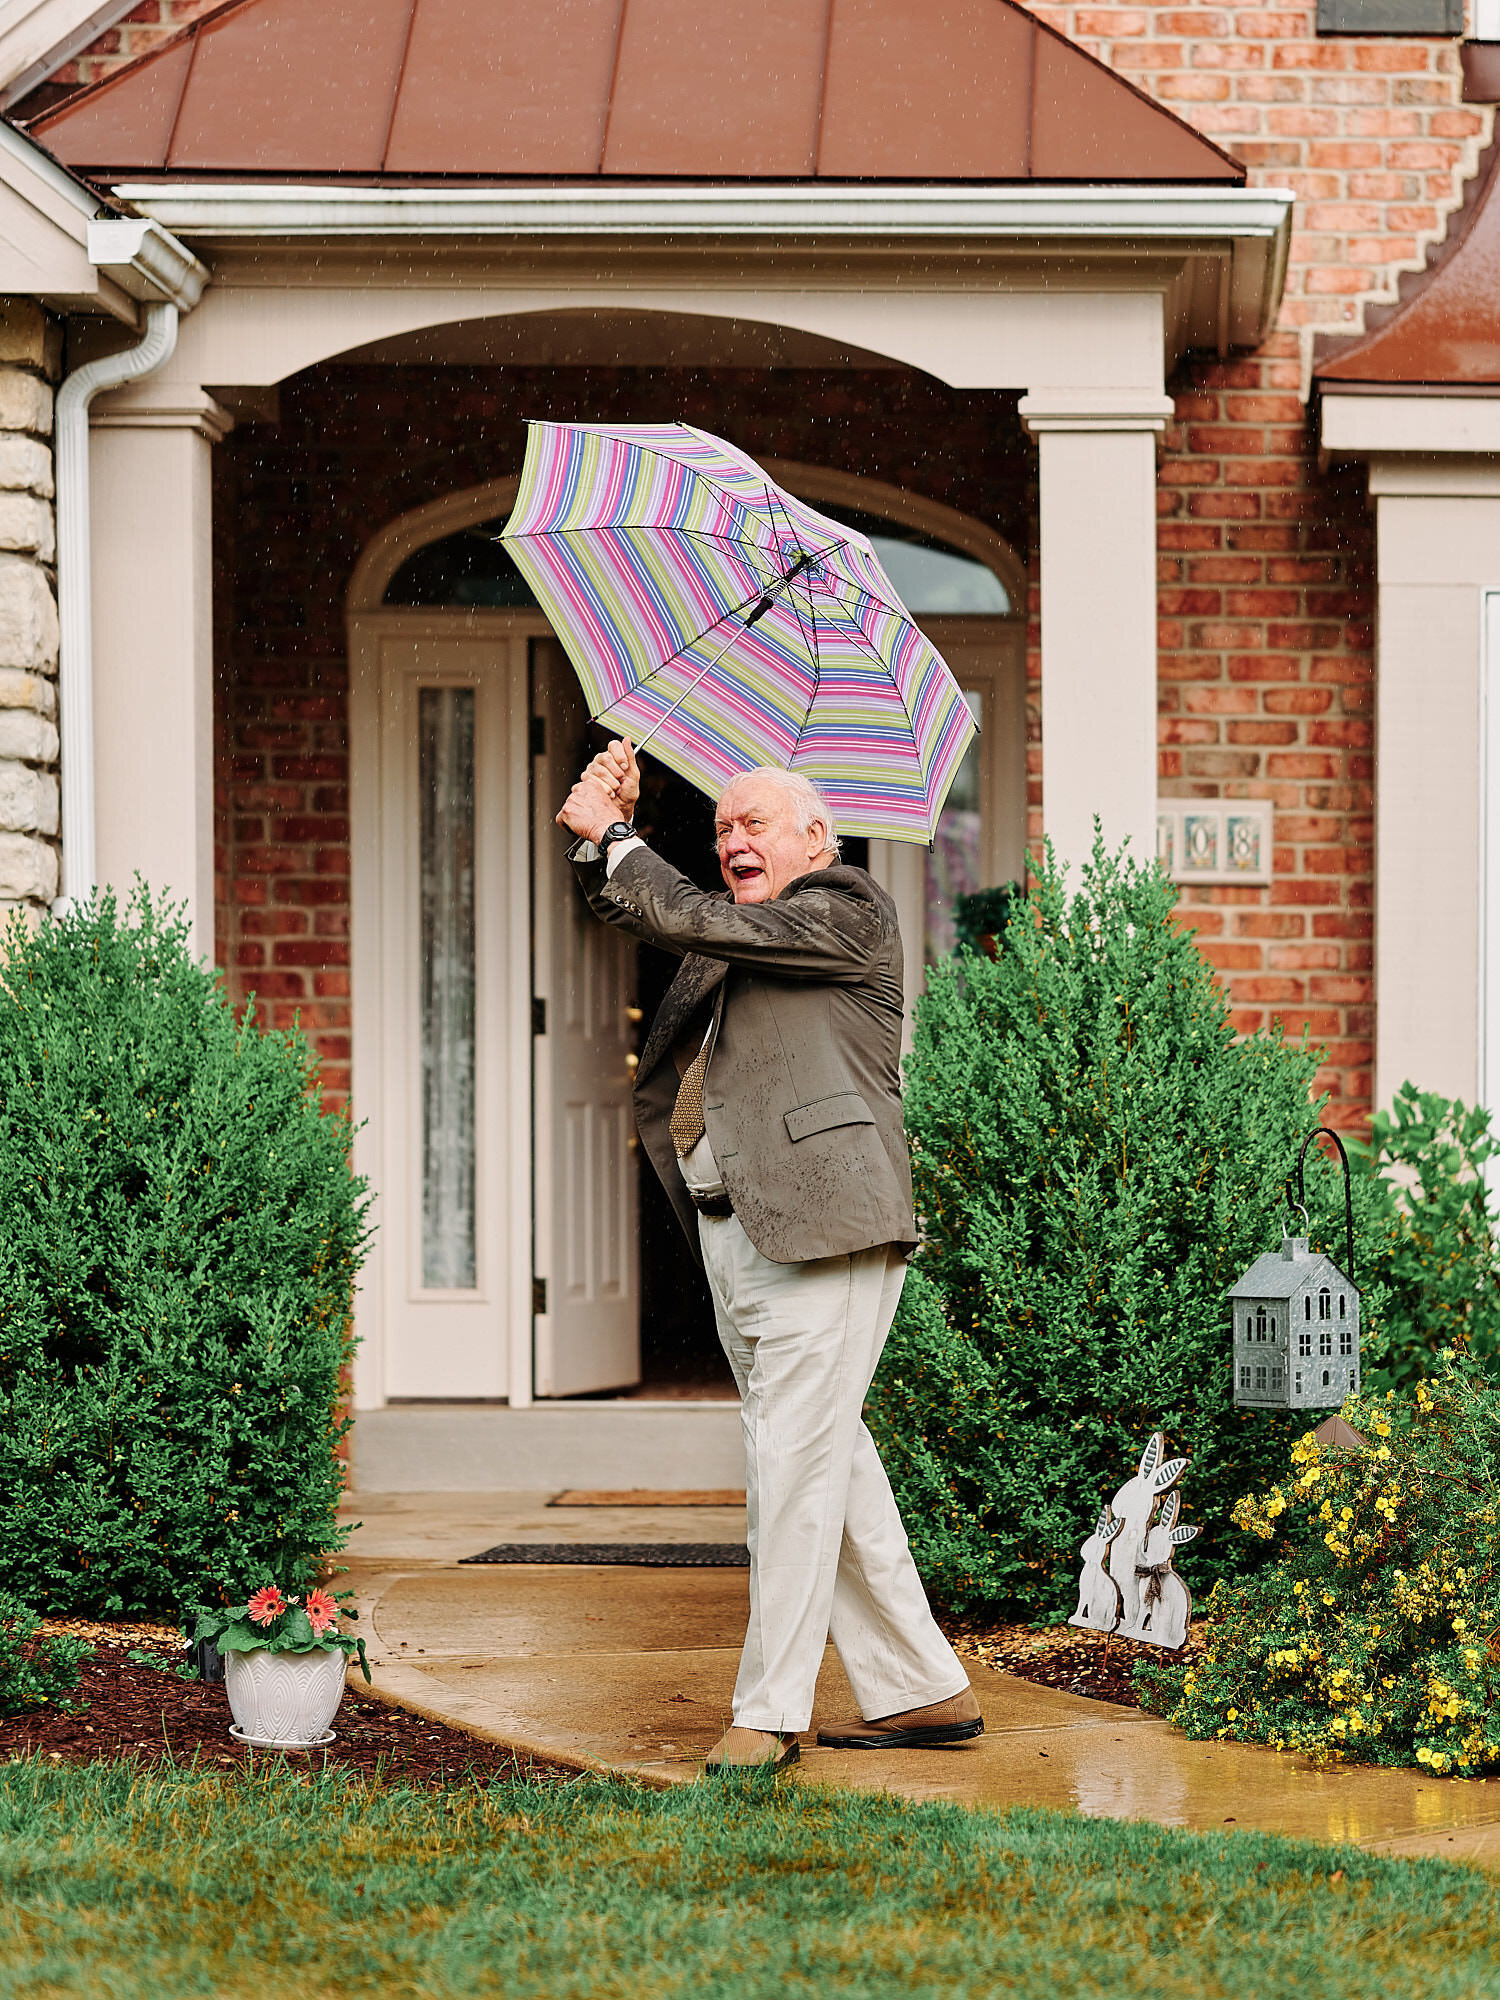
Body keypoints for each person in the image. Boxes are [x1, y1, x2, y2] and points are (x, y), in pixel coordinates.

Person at [556, 737, 982, 1772]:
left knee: (789, 1464)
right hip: (734, 1223)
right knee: (823, 1454)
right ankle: (921, 1686)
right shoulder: (740, 926)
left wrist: (617, 838)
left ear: (817, 837)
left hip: (825, 1223)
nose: (733, 839)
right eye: (721, 827)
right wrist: (599, 839)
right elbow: (645, 908)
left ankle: (772, 1708)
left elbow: (679, 907)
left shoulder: (845, 908)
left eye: (755, 823)